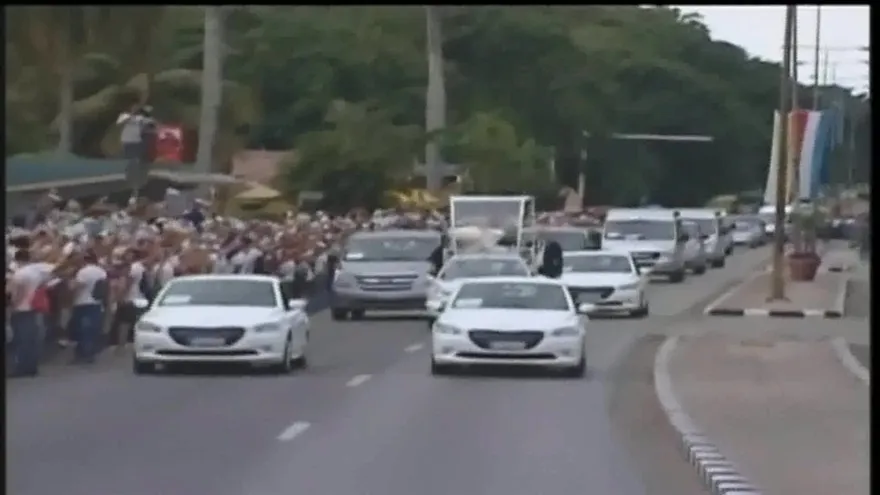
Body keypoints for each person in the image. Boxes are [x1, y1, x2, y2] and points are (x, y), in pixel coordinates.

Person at [8, 249, 54, 376]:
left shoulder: (19, 274)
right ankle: (32, 366)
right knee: (31, 339)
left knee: (21, 340)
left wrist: (13, 305)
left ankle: (22, 368)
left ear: (17, 260)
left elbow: (17, 293)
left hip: (21, 309)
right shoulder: (36, 273)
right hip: (32, 308)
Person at [69, 250, 108, 364]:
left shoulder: (83, 272)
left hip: (82, 302)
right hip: (96, 303)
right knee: (91, 330)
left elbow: (73, 286)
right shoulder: (101, 271)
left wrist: (70, 280)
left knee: (81, 330)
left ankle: (82, 354)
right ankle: (90, 353)